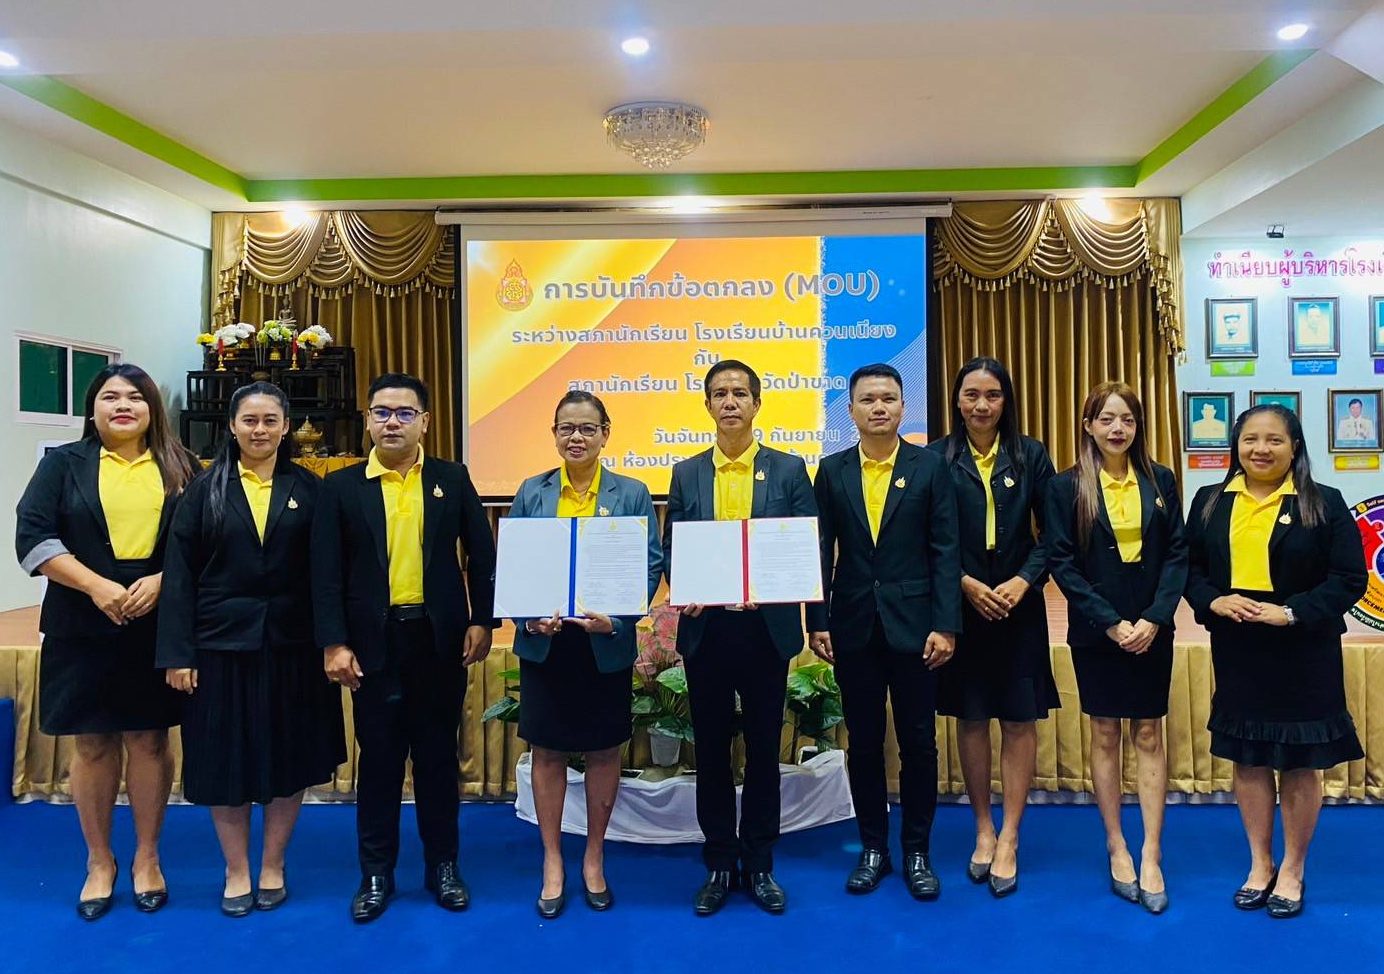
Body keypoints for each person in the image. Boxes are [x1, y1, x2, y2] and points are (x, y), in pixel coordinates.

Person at [311, 373, 496, 923]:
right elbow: (325, 572)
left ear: (425, 422)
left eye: (405, 413)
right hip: (373, 646)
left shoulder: (450, 478)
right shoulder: (341, 487)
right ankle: (376, 873)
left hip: (438, 643)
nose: (392, 422)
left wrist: (483, 621)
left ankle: (444, 866)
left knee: (438, 758)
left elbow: (481, 555)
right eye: (382, 412)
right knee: (380, 762)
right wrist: (333, 642)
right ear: (368, 420)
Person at [14, 363, 198, 920]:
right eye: (110, 396)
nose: (123, 405)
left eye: (135, 397)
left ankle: (147, 856)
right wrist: (96, 586)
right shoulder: (61, 465)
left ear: (152, 408)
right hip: (81, 620)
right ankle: (99, 861)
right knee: (92, 744)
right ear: (92, 410)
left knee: (149, 740)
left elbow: (204, 541)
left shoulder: (182, 465)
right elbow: (33, 537)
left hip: (156, 620)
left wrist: (164, 581)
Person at [156, 381, 345, 916]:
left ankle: (273, 864)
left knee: (290, 759)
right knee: (225, 761)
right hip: (219, 647)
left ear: (286, 428)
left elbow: (327, 575)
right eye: (249, 420)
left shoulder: (311, 490)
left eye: (270, 421)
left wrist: (333, 642)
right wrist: (178, 653)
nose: (259, 430)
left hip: (294, 647)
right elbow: (179, 577)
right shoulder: (201, 491)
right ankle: (236, 869)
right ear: (232, 426)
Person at [1185, 404, 1366, 919]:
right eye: (1250, 439)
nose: (1260, 449)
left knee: (1301, 763)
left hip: (1304, 649)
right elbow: (1189, 568)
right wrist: (1214, 601)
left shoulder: (1323, 502)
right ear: (1236, 446)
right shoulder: (1210, 500)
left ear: (1295, 447)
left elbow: (1349, 579)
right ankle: (1260, 863)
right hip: (1240, 647)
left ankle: (1293, 868)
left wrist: (1290, 613)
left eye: (1274, 440)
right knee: (1249, 757)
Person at [663, 359, 817, 916]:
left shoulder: (789, 469)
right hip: (707, 630)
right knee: (710, 751)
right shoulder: (686, 473)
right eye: (720, 394)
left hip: (764, 630)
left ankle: (759, 862)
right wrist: (686, 585)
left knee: (762, 750)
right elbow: (674, 547)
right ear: (707, 405)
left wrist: (776, 589)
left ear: (757, 403)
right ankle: (719, 862)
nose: (730, 402)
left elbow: (804, 546)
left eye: (739, 393)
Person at [806, 363, 960, 901]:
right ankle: (873, 847)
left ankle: (917, 851)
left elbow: (946, 551)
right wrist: (817, 620)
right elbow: (819, 550)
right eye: (868, 399)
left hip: (917, 630)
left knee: (919, 743)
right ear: (850, 410)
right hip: (853, 627)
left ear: (902, 407)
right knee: (865, 742)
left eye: (888, 398)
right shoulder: (832, 471)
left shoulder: (929, 467)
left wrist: (946, 624)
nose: (878, 407)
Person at [507, 391, 662, 918]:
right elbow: (515, 565)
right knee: (547, 752)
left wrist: (616, 620)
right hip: (546, 644)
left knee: (602, 751)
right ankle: (553, 860)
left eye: (587, 428)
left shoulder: (631, 493)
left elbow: (649, 564)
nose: (576, 437)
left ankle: (594, 856)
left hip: (603, 643)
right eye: (566, 428)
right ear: (554, 434)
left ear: (605, 434)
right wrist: (529, 618)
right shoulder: (532, 491)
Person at [1045, 381, 1186, 915]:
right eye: (1106, 419)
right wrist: (1109, 623)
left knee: (1149, 732)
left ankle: (1151, 851)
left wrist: (1154, 618)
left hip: (1152, 628)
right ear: (1088, 426)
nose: (1117, 428)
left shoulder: (1161, 479)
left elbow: (1178, 554)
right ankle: (1116, 845)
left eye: (1126, 419)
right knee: (1104, 732)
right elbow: (1062, 562)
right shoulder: (1065, 487)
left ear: (1138, 425)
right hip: (1096, 631)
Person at [926, 357, 1058, 897]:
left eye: (993, 395)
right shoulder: (936, 457)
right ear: (956, 400)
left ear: (1007, 401)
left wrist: (1024, 581)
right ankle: (983, 827)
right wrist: (963, 583)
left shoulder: (1031, 455)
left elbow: (1054, 534)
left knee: (1020, 720)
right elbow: (927, 537)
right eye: (971, 395)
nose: (981, 405)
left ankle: (1011, 836)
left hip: (1018, 606)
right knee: (973, 717)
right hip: (962, 608)